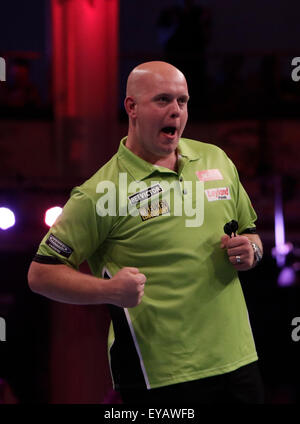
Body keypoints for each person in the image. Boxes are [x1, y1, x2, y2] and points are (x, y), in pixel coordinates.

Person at [28, 61, 264, 404]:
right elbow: (41, 273)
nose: (176, 111)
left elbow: (252, 233)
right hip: (160, 376)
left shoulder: (216, 160)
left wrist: (251, 251)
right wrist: (109, 290)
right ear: (132, 107)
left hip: (238, 360)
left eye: (182, 101)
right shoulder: (100, 192)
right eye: (163, 100)